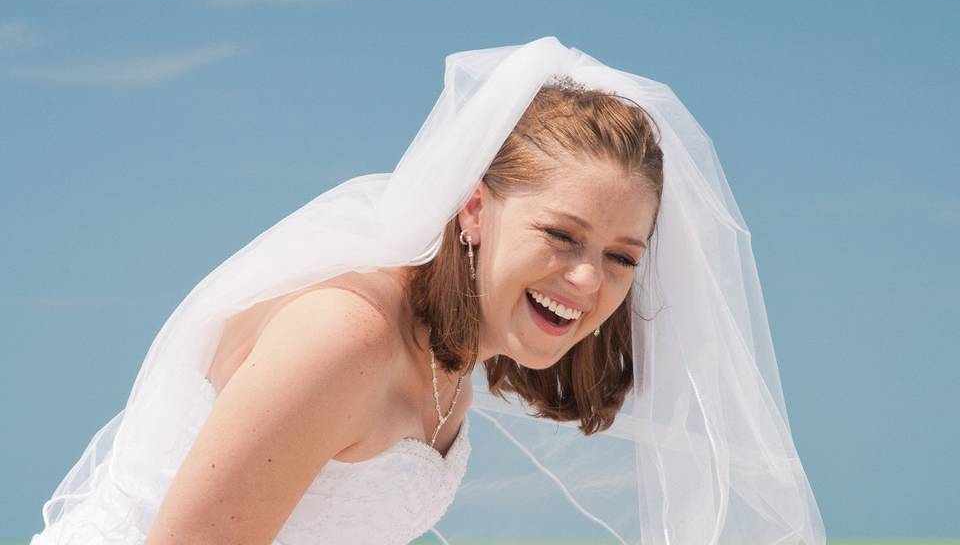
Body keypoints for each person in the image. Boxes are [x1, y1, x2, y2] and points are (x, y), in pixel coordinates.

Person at [30, 36, 826, 544]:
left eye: (623, 257)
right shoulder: (346, 335)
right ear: (475, 207)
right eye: (562, 235)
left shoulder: (447, 358)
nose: (589, 281)